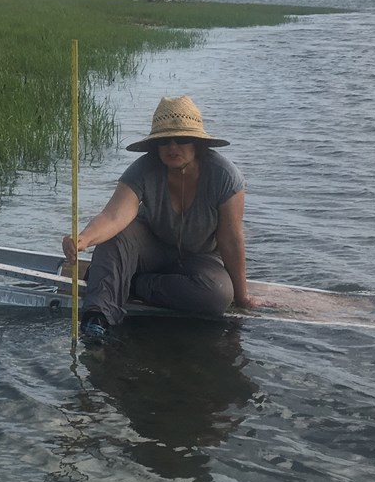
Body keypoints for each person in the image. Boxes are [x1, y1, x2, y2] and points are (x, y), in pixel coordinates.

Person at [63, 96, 255, 345]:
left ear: (197, 143)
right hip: (151, 245)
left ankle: (132, 282)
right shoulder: (142, 169)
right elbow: (114, 215)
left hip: (200, 257)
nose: (172, 147)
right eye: (164, 141)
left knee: (217, 296)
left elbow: (231, 240)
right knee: (115, 238)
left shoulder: (226, 177)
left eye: (182, 139)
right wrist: (83, 239)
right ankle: (96, 319)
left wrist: (242, 299)